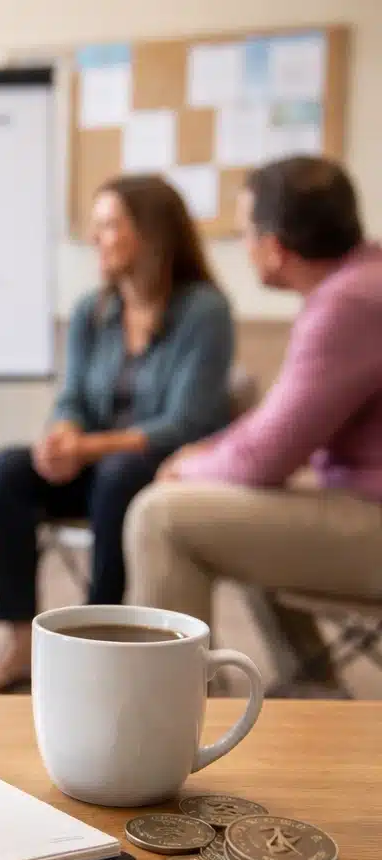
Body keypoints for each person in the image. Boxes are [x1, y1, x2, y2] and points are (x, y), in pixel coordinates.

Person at [125, 156, 382, 699]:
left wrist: (187, 467)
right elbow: (278, 429)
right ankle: (314, 691)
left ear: (275, 247)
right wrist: (207, 453)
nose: (243, 245)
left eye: (244, 232)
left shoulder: (349, 304)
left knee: (162, 517)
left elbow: (267, 457)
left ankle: (171, 719)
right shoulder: (363, 280)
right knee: (235, 505)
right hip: (363, 500)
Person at [0, 174, 235, 692]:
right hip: (99, 464)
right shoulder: (96, 309)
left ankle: (96, 645)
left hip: (162, 471)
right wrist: (62, 435)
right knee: (8, 469)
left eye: (109, 225)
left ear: (152, 234)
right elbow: (73, 398)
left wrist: (88, 447)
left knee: (118, 473)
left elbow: (189, 422)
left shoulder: (205, 311)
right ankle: (20, 643)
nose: (95, 237)